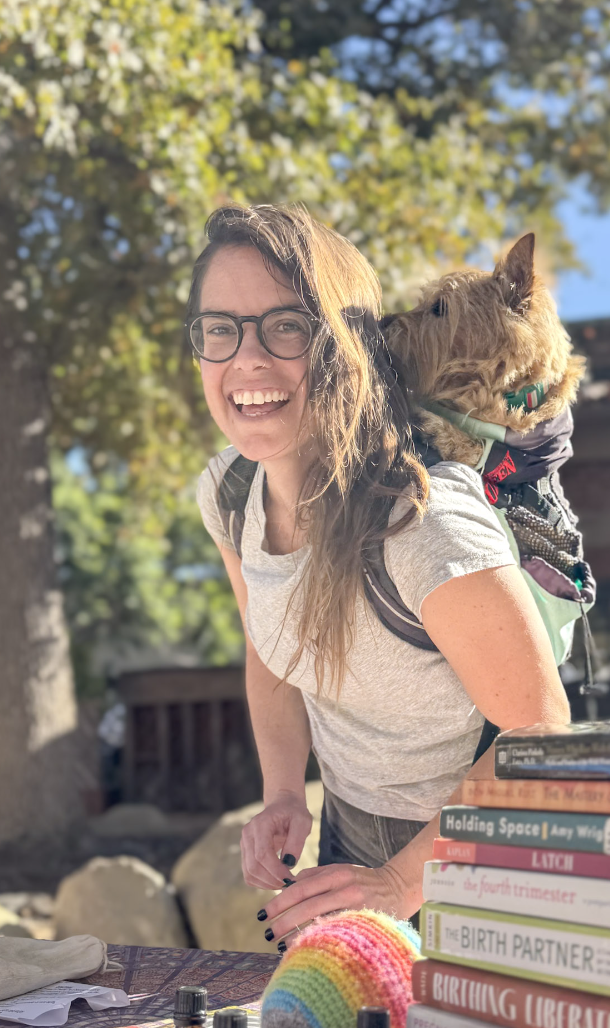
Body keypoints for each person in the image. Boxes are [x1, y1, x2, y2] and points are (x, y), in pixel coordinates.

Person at [190, 203, 570, 945]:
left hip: (480, 861)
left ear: (345, 345)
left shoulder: (421, 522)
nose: (248, 360)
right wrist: (281, 795)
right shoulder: (231, 493)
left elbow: (542, 733)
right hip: (350, 841)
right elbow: (269, 654)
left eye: (287, 326)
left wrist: (400, 883)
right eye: (219, 329)